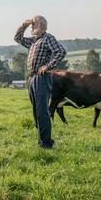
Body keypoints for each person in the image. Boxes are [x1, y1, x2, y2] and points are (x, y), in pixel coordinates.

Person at [14, 15, 66, 148]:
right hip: (32, 78)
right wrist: (24, 25)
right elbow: (17, 38)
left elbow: (61, 52)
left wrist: (47, 66)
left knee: (42, 111)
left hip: (42, 78)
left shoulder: (48, 38)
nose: (32, 26)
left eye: (33, 24)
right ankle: (41, 141)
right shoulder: (33, 41)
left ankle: (46, 143)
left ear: (40, 25)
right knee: (36, 111)